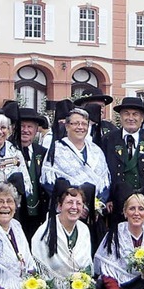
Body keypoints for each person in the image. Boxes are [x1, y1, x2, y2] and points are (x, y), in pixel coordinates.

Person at [32, 182, 107, 289]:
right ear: (59, 206)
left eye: (78, 204)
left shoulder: (84, 230)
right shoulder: (44, 231)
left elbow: (87, 265)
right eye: (69, 203)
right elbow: (37, 268)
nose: (74, 207)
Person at [41, 108, 111, 251]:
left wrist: (95, 206)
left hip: (93, 214)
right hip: (66, 214)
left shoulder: (96, 150)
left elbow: (105, 182)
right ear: (67, 126)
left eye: (84, 124)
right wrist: (74, 205)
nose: (80, 127)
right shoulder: (56, 149)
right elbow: (48, 182)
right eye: (75, 123)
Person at [102, 97, 144, 228]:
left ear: (142, 118)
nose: (131, 118)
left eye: (135, 114)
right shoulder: (108, 139)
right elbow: (103, 173)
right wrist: (108, 198)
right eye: (126, 113)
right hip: (118, 204)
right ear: (120, 117)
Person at [17, 108, 49, 241]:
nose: (25, 130)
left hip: (38, 215)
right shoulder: (9, 150)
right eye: (22, 126)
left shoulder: (44, 152)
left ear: (36, 130)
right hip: (17, 213)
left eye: (30, 126)